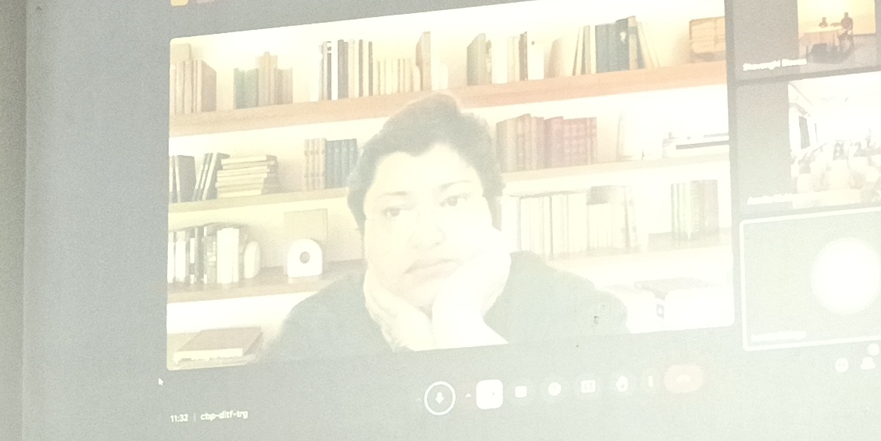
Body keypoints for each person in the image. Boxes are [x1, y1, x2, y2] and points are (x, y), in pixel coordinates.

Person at [270, 96, 630, 356]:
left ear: (492, 213)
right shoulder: (314, 335)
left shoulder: (576, 310)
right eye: (394, 211)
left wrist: (458, 325)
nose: (427, 237)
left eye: (453, 201)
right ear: (364, 237)